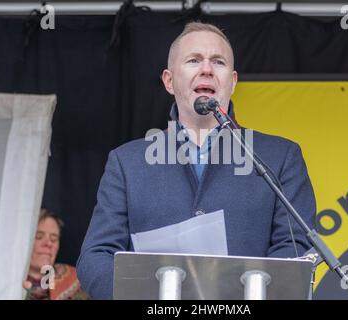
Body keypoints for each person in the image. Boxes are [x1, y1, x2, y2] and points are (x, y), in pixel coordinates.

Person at [77, 22, 316, 299]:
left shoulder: (280, 157)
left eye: (218, 61)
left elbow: (296, 247)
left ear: (233, 81)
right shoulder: (127, 163)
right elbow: (96, 256)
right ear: (169, 80)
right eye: (193, 60)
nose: (207, 69)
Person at [24, 209, 88, 300]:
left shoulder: (78, 280)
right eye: (39, 236)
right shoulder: (7, 281)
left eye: (53, 239)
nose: (48, 243)